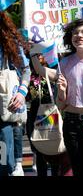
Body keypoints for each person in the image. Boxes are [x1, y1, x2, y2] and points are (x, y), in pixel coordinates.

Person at [31, 19, 83, 176]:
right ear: (70, 37)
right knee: (77, 172)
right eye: (76, 33)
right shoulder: (64, 63)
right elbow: (60, 104)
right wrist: (62, 92)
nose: (80, 36)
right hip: (71, 124)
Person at [27, 53, 72, 176]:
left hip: (53, 112)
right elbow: (28, 96)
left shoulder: (55, 71)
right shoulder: (29, 75)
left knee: (54, 146)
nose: (40, 57)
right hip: (35, 113)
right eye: (38, 56)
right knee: (39, 147)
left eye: (42, 55)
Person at [0, 11, 31, 176]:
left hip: (3, 112)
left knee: (4, 163)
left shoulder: (8, 42)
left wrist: (21, 93)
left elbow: (26, 70)